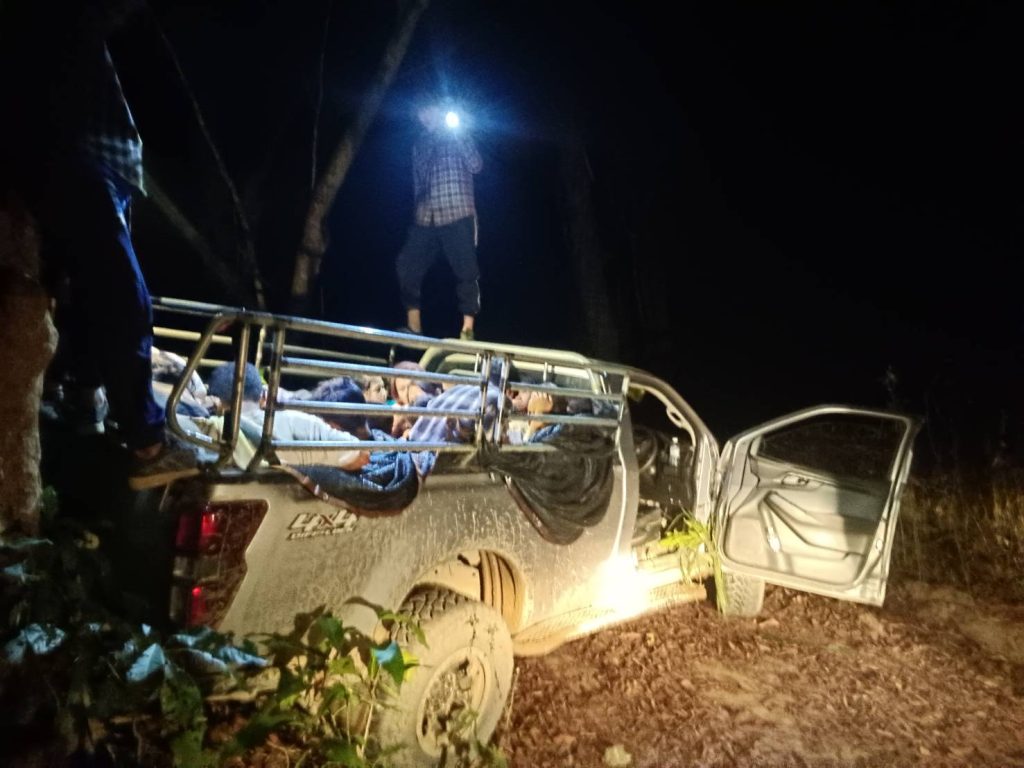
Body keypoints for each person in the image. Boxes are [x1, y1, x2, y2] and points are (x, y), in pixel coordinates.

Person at [2, 2, 196, 490]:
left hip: (92, 162)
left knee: (88, 290)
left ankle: (86, 399)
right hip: (84, 157)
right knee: (121, 293)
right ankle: (147, 440)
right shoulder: (59, 30)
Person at [395, 96, 483, 340]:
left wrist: (459, 133)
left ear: (439, 109)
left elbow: (476, 165)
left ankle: (467, 330)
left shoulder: (457, 135)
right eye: (420, 112)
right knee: (406, 265)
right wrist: (416, 211)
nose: (424, 116)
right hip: (426, 216)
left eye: (429, 109)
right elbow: (417, 180)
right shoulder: (419, 144)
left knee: (466, 271)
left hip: (457, 211)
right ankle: (414, 326)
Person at [201, 363, 368, 471]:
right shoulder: (296, 420)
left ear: (218, 402)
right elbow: (360, 453)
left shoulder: (209, 430)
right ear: (263, 396)